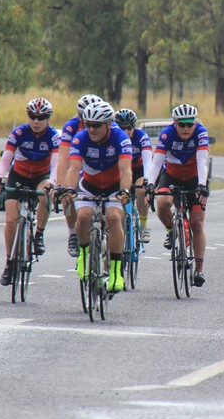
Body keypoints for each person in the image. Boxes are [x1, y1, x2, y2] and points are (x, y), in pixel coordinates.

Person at [63, 100, 132, 293]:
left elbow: (126, 170)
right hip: (89, 185)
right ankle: (84, 254)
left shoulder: (121, 138)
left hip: (113, 186)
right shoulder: (80, 138)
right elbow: (74, 168)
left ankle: (117, 271)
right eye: (88, 124)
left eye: (96, 125)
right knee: (83, 216)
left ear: (109, 124)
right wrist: (69, 188)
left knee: (114, 217)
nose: (91, 129)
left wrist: (124, 191)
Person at [0, 97, 60, 286]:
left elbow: (57, 164)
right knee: (10, 220)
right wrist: (1, 176)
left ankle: (39, 233)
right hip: (19, 175)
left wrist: (53, 183)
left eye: (41, 117)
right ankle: (9, 262)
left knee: (45, 194)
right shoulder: (19, 133)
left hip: (41, 176)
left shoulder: (53, 136)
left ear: (48, 119)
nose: (36, 121)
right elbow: (6, 159)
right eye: (32, 117)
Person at [144, 103, 210, 287]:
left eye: (190, 124)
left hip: (195, 177)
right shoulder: (167, 133)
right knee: (162, 202)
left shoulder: (201, 133)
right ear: (175, 123)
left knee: (197, 222)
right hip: (171, 175)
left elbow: (202, 160)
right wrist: (150, 184)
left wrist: (202, 185)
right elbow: (156, 162)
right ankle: (172, 230)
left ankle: (199, 268)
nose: (186, 129)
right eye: (182, 125)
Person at [56, 93, 104, 258]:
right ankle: (73, 234)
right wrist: (61, 186)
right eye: (83, 117)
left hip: (98, 167)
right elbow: (63, 159)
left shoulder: (108, 126)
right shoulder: (71, 127)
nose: (88, 123)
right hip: (77, 166)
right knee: (67, 196)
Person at [114, 108, 153, 243]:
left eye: (129, 128)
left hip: (138, 169)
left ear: (134, 127)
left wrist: (147, 180)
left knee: (141, 189)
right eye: (121, 128)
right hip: (120, 169)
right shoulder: (113, 137)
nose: (126, 132)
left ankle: (143, 225)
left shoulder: (141, 136)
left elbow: (148, 160)